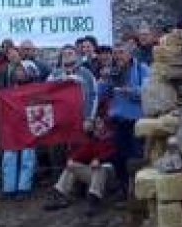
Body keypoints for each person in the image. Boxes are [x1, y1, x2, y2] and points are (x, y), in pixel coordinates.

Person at [44, 98, 116, 217]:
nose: (98, 126)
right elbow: (81, 155)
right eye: (96, 123)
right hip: (93, 173)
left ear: (105, 124)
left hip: (109, 174)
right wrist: (72, 159)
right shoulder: (92, 139)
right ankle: (61, 195)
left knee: (100, 168)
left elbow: (114, 156)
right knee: (72, 166)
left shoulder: (112, 137)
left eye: (100, 123)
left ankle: (94, 201)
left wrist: (101, 160)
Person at [47, 45, 98, 178]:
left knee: (78, 153)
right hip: (60, 121)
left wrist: (89, 118)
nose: (68, 55)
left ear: (76, 55)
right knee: (57, 152)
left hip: (80, 120)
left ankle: (77, 186)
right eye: (65, 53)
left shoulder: (86, 73)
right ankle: (58, 184)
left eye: (70, 53)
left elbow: (94, 95)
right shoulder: (54, 74)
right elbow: (46, 92)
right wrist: (61, 81)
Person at [108, 43, 149, 199]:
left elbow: (148, 91)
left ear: (130, 54)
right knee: (119, 157)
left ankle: (139, 191)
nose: (118, 56)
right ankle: (124, 189)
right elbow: (103, 92)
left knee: (136, 156)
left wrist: (129, 91)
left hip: (136, 121)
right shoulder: (113, 71)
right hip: (118, 121)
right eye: (115, 53)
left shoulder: (141, 69)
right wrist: (104, 80)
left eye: (121, 52)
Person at [0, 60, 39, 199]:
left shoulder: (36, 88)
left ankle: (24, 187)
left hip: (29, 126)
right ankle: (8, 187)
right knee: (9, 155)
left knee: (27, 156)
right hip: (12, 126)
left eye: (22, 70)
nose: (19, 72)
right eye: (17, 70)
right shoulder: (10, 90)